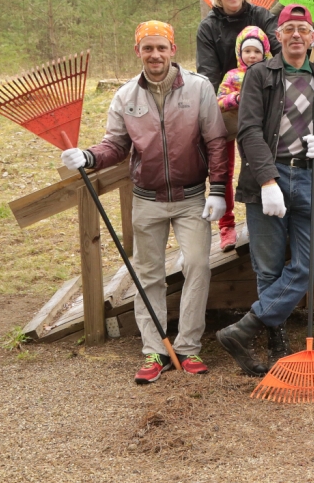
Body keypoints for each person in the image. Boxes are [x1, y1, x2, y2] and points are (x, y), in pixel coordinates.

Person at [61, 21, 229, 384]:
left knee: (198, 265)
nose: (155, 55)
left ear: (173, 50)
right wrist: (88, 157)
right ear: (138, 51)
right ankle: (154, 350)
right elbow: (116, 145)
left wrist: (218, 189)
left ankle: (187, 346)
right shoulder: (125, 97)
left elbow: (216, 141)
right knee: (147, 275)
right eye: (147, 48)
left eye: (161, 47)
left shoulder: (199, 88)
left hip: (190, 198)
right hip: (146, 199)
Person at [215, 4, 314, 374]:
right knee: (268, 266)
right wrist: (268, 180)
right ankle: (276, 342)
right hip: (267, 179)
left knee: (311, 262)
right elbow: (249, 129)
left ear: (312, 35)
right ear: (279, 36)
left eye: (304, 29)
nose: (297, 35)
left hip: (308, 178)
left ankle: (246, 327)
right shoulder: (259, 75)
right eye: (290, 29)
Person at [196, 0, 280, 250]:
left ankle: (264, 217)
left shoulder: (261, 16)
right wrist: (226, 96)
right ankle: (226, 225)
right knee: (223, 164)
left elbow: (277, 50)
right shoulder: (209, 27)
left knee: (261, 157)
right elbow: (207, 71)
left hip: (263, 98)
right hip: (227, 99)